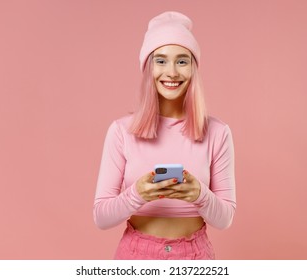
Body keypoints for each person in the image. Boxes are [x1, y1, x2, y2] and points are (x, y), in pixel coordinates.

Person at [93, 11, 236, 260]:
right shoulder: (121, 131)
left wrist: (199, 195)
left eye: (182, 61)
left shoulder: (218, 132)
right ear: (148, 68)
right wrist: (137, 194)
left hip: (195, 258)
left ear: (193, 68)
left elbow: (225, 219)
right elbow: (101, 217)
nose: (171, 72)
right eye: (160, 61)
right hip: (135, 257)